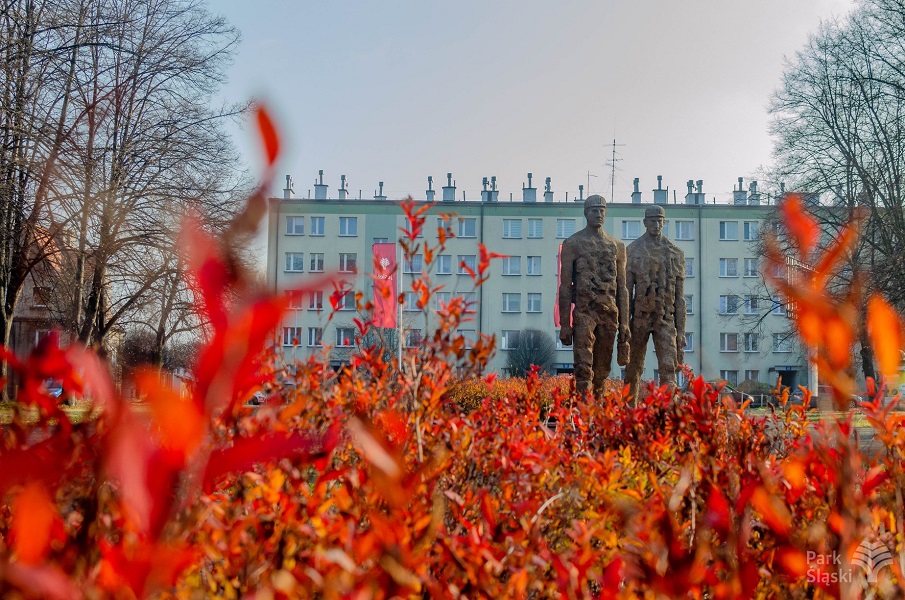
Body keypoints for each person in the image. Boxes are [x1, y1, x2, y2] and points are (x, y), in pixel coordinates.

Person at [558, 195, 630, 395]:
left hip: (609, 314)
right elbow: (565, 287)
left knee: (602, 369)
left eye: (602, 211)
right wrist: (565, 324)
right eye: (594, 211)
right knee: (583, 367)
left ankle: (598, 415)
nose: (599, 215)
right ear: (585, 213)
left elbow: (622, 287)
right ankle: (583, 415)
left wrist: (625, 323)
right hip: (584, 313)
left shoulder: (617, 247)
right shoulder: (573, 243)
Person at [624, 205, 686, 403]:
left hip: (665, 319)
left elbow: (680, 298)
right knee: (633, 367)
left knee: (669, 367)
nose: (656, 224)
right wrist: (624, 325)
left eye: (659, 221)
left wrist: (681, 332)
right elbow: (626, 292)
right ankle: (629, 414)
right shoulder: (632, 251)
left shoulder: (675, 253)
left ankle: (668, 417)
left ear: (664, 223)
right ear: (645, 223)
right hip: (640, 318)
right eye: (652, 221)